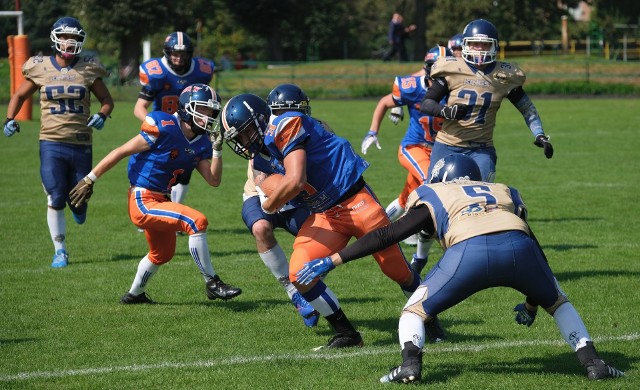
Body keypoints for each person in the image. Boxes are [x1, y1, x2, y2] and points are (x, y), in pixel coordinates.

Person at [296, 154, 625, 384]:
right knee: (560, 302)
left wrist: (334, 259)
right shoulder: (503, 191)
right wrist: (532, 301)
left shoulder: (436, 191)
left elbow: (388, 234)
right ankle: (594, 363)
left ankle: (410, 367)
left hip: (469, 250)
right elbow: (532, 244)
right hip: (519, 246)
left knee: (414, 311)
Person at [221, 90, 422, 349]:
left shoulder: (286, 123)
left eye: (245, 132)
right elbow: (276, 185)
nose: (243, 141)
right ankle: (347, 334)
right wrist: (274, 195)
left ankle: (431, 321)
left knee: (397, 271)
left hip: (355, 202)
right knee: (300, 273)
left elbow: (295, 181)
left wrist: (269, 204)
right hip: (326, 214)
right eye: (238, 137)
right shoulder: (260, 157)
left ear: (260, 119)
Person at [69, 84, 241, 304]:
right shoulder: (165, 125)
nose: (208, 116)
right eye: (203, 109)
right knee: (197, 221)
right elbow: (121, 151)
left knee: (163, 253)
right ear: (187, 108)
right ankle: (213, 282)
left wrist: (217, 151)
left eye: (211, 112)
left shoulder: (201, 143)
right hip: (142, 199)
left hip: (162, 199)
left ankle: (135, 295)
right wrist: (89, 179)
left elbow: (214, 180)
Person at [3, 16, 114, 268]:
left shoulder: (88, 67)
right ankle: (60, 250)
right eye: (65, 37)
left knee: (79, 198)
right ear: (55, 38)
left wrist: (102, 114)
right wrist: (9, 119)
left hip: (81, 142)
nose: (69, 42)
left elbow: (107, 99)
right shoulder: (40, 66)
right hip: (51, 142)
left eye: (74, 38)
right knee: (55, 195)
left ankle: (79, 208)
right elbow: (19, 95)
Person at [420, 19, 554, 183]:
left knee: (480, 194)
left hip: (481, 149)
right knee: (433, 193)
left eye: (484, 44)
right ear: (466, 45)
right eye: (475, 44)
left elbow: (528, 110)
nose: (480, 49)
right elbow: (426, 103)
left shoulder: (505, 76)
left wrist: (540, 134)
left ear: (494, 46)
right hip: (447, 144)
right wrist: (446, 111)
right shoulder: (453, 68)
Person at [362, 46, 451, 281]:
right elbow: (384, 102)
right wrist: (372, 132)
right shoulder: (412, 86)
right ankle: (413, 236)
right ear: (428, 69)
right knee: (430, 187)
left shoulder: (455, 87)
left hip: (438, 151)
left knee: (406, 198)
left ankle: (377, 228)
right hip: (413, 147)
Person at [239, 84, 319, 327]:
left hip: (297, 197)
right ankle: (292, 292)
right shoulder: (260, 144)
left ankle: (310, 286)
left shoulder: (308, 130)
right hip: (263, 197)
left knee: (322, 240)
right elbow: (267, 185)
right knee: (261, 228)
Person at [134, 31, 215, 207]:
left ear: (190, 54)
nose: (178, 58)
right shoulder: (157, 72)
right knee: (153, 170)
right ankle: (146, 207)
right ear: (167, 53)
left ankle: (174, 211)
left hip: (188, 129)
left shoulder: (200, 72)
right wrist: (154, 124)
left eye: (182, 54)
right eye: (174, 53)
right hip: (163, 131)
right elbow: (139, 107)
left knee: (185, 171)